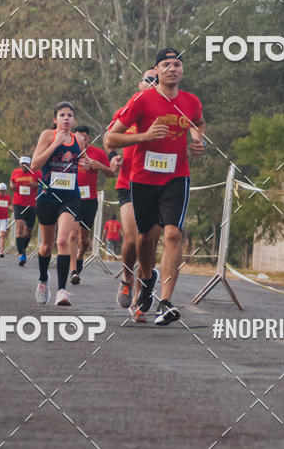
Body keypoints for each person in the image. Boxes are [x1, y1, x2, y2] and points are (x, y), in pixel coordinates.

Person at [107, 48, 206, 325]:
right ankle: (146, 279)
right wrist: (146, 135)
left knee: (173, 234)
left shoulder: (191, 102)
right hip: (142, 179)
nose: (172, 68)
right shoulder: (142, 100)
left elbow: (198, 123)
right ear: (157, 70)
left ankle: (166, 302)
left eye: (177, 64)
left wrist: (198, 140)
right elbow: (111, 139)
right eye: (166, 64)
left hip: (176, 177)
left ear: (182, 71)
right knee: (145, 238)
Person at [104, 67, 161, 313]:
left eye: (156, 81)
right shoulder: (126, 112)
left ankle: (141, 297)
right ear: (139, 84)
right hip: (127, 182)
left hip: (157, 185)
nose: (152, 83)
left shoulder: (166, 114)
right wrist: (114, 157)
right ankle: (126, 280)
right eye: (148, 79)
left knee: (148, 242)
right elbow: (109, 139)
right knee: (131, 238)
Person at [31, 102, 82, 306]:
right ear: (55, 119)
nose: (66, 118)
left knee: (63, 240)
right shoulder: (47, 135)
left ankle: (62, 291)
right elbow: (35, 164)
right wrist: (54, 144)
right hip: (47, 196)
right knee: (45, 246)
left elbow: (79, 162)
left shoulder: (78, 139)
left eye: (70, 115)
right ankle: (43, 279)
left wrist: (86, 163)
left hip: (70, 195)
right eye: (62, 115)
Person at [69, 126, 118, 284]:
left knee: (84, 240)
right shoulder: (68, 152)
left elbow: (112, 173)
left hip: (89, 201)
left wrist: (99, 165)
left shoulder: (97, 153)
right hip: (72, 198)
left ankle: (79, 257)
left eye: (83, 138)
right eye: (77, 137)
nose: (80, 140)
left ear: (88, 138)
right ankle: (73, 270)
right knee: (73, 235)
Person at [10, 155, 42, 266]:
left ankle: (23, 248)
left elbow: (45, 186)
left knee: (28, 231)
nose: (24, 166)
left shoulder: (37, 173)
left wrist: (37, 185)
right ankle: (20, 254)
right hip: (18, 204)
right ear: (20, 164)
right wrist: (12, 186)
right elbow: (12, 182)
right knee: (20, 229)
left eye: (26, 164)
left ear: (30, 164)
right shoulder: (15, 172)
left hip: (32, 205)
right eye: (22, 164)